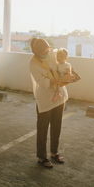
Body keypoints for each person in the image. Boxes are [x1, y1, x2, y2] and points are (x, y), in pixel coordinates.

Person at [30, 38, 68, 168]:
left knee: (57, 126)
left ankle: (54, 152)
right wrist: (56, 80)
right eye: (45, 51)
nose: (48, 52)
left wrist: (67, 72)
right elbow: (42, 82)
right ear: (37, 52)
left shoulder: (52, 54)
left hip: (59, 96)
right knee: (43, 129)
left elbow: (62, 56)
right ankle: (42, 157)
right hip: (45, 100)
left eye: (48, 49)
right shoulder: (33, 63)